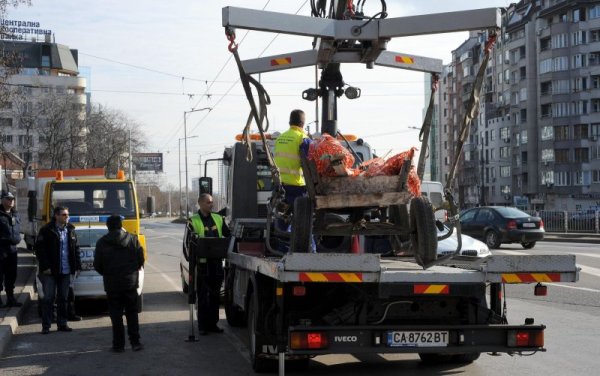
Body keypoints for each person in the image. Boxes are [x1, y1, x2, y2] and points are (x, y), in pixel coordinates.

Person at [94, 215, 145, 352]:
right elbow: (141, 259)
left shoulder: (102, 242)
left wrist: (108, 273)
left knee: (116, 315)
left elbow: (97, 265)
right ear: (121, 225)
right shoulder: (133, 239)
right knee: (132, 313)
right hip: (130, 283)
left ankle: (118, 345)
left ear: (108, 226)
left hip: (112, 284)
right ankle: (135, 342)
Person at [185, 193, 230, 335]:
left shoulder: (218, 218)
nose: (212, 204)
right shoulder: (192, 221)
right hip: (202, 266)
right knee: (203, 296)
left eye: (212, 202)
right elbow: (188, 244)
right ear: (201, 203)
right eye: (209, 202)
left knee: (215, 296)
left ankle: (213, 324)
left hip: (216, 264)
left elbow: (228, 236)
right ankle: (203, 326)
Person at [34, 206, 81, 334]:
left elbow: (76, 249)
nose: (67, 217)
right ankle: (46, 326)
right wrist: (45, 267)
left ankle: (62, 323)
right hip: (50, 272)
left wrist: (77, 266)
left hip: (65, 270)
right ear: (56, 216)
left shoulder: (71, 230)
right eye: (64, 215)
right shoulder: (46, 230)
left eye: (67, 214)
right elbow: (40, 251)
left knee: (63, 298)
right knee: (48, 298)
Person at [0, 191, 22, 308]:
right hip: (1, 248)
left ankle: (10, 298)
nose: (11, 201)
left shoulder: (16, 214)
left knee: (11, 275)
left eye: (12, 199)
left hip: (12, 249)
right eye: (8, 199)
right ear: (2, 200)